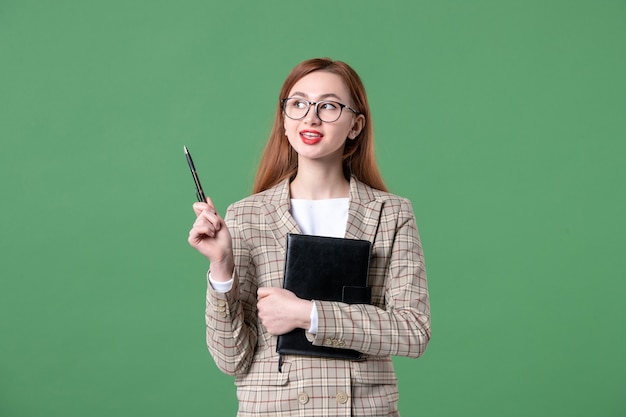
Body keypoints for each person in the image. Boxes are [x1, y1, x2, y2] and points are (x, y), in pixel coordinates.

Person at [188, 57, 431, 416]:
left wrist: (307, 313)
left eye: (329, 106)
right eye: (298, 103)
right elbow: (231, 359)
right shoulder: (247, 215)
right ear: (284, 119)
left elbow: (413, 331)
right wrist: (221, 266)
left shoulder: (390, 213)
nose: (311, 117)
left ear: (355, 125)